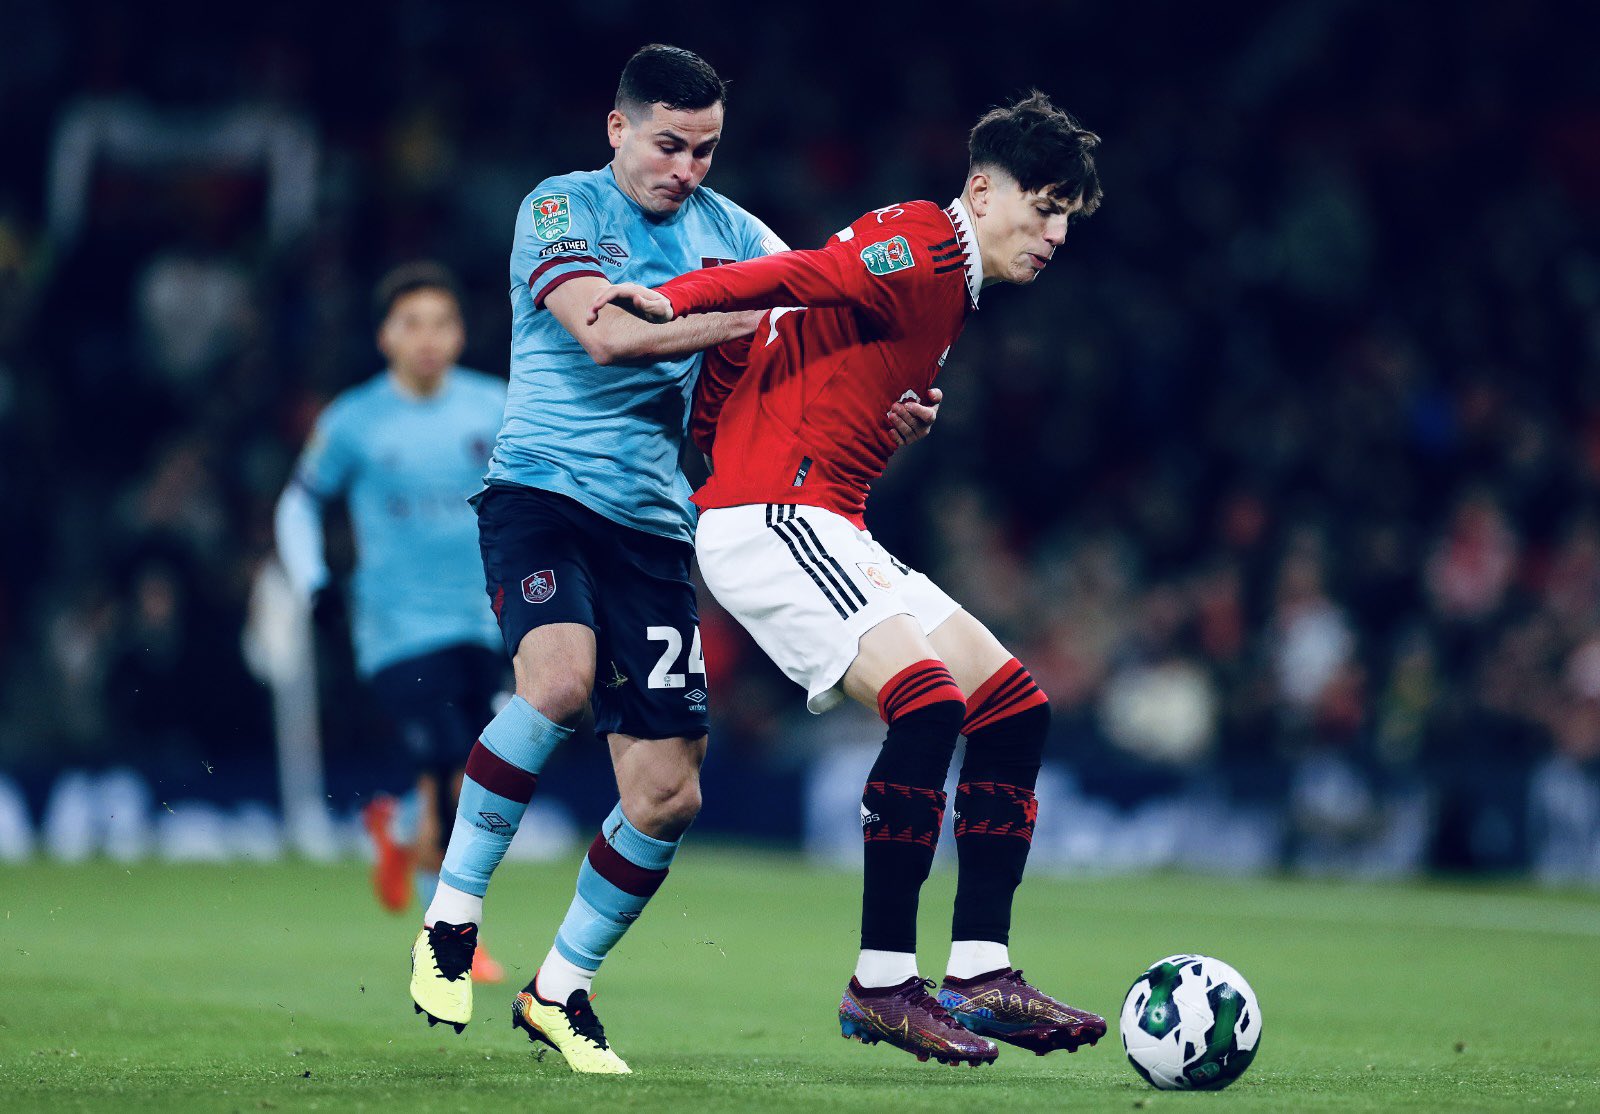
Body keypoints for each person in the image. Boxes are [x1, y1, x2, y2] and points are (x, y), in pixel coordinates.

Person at [406, 43, 940, 1075]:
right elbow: (605, 333)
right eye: (668, 145)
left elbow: (827, 320)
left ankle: (561, 987)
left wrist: (888, 402)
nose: (686, 169)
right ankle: (451, 914)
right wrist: (750, 313)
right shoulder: (558, 211)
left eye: (704, 150)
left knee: (667, 795)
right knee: (556, 683)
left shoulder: (733, 232)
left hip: (655, 526)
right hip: (543, 494)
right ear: (617, 130)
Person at [589, 91, 1108, 1067]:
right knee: (925, 703)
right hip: (771, 515)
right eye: (1040, 206)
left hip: (823, 512)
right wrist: (671, 301)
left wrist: (884, 421)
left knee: (1013, 708)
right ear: (981, 189)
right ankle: (880, 983)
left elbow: (804, 335)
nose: (1053, 232)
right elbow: (797, 274)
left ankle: (982, 969)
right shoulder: (922, 245)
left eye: (1066, 217)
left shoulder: (947, 287)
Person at [276, 262, 508, 982]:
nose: (429, 339)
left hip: (488, 620)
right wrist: (315, 585)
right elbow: (298, 503)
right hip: (396, 626)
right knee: (445, 757)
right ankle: (452, 940)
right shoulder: (354, 419)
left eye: (442, 323)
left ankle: (403, 833)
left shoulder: (494, 407)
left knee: (479, 774)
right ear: (385, 335)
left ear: (461, 333)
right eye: (413, 324)